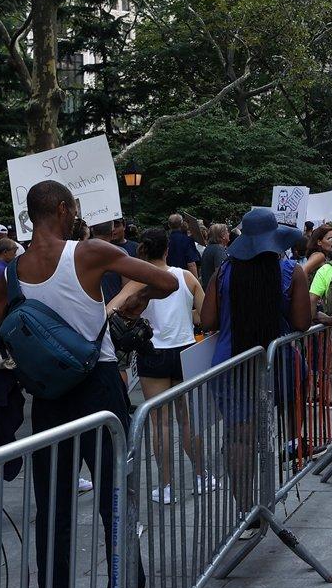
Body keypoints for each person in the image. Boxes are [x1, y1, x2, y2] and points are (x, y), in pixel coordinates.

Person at [0, 180, 176, 588]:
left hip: (49, 393)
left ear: (30, 216)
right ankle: (125, 584)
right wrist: (127, 300)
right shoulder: (89, 252)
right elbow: (167, 282)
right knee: (114, 496)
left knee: (53, 504)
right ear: (65, 209)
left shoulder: (12, 271)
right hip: (99, 384)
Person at [199, 208, 310, 538]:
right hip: (276, 365)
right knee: (262, 432)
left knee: (239, 436)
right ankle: (266, 501)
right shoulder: (292, 271)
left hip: (233, 366)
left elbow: (207, 321)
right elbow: (303, 323)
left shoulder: (224, 273)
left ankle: (248, 509)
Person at [109, 228, 210, 504]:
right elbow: (204, 315)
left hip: (152, 352)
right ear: (167, 250)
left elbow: (111, 310)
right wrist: (184, 314)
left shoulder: (137, 281)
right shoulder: (186, 277)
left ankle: (166, 485)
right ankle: (202, 475)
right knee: (189, 419)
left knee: (160, 423)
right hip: (186, 350)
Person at [199, 223, 230, 290]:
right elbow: (220, 274)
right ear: (222, 235)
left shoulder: (209, 248)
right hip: (216, 292)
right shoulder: (218, 250)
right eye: (227, 231)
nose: (229, 234)